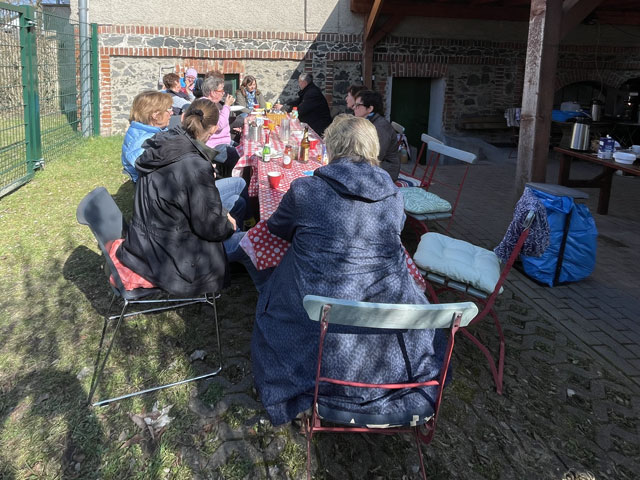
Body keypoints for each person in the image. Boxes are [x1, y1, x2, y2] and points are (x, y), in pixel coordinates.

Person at [251, 114, 444, 426]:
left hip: (315, 316)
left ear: (332, 148)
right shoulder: (393, 196)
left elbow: (276, 228)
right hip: (385, 319)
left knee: (275, 275)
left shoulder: (305, 190)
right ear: (372, 149)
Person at [117, 99, 269, 295]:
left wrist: (222, 214)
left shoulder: (164, 142)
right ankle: (271, 304)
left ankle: (234, 258)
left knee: (237, 204)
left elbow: (188, 202)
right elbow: (209, 227)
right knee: (254, 242)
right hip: (174, 259)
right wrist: (226, 225)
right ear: (213, 129)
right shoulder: (193, 165)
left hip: (148, 241)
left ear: (184, 118)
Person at [121, 90, 172, 183]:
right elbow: (152, 170)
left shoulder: (152, 131)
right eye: (168, 109)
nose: (171, 112)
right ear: (155, 115)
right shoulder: (143, 141)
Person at [353, 90, 401, 182]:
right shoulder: (367, 122)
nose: (354, 108)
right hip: (373, 165)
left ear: (370, 109)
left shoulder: (380, 127)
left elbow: (376, 156)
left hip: (386, 170)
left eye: (358, 105)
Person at [202, 76, 241, 178]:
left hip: (223, 141)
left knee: (244, 148)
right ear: (213, 92)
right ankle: (237, 181)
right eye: (221, 90)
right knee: (241, 157)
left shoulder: (214, 103)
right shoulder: (205, 105)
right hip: (213, 146)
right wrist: (227, 105)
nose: (223, 93)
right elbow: (219, 125)